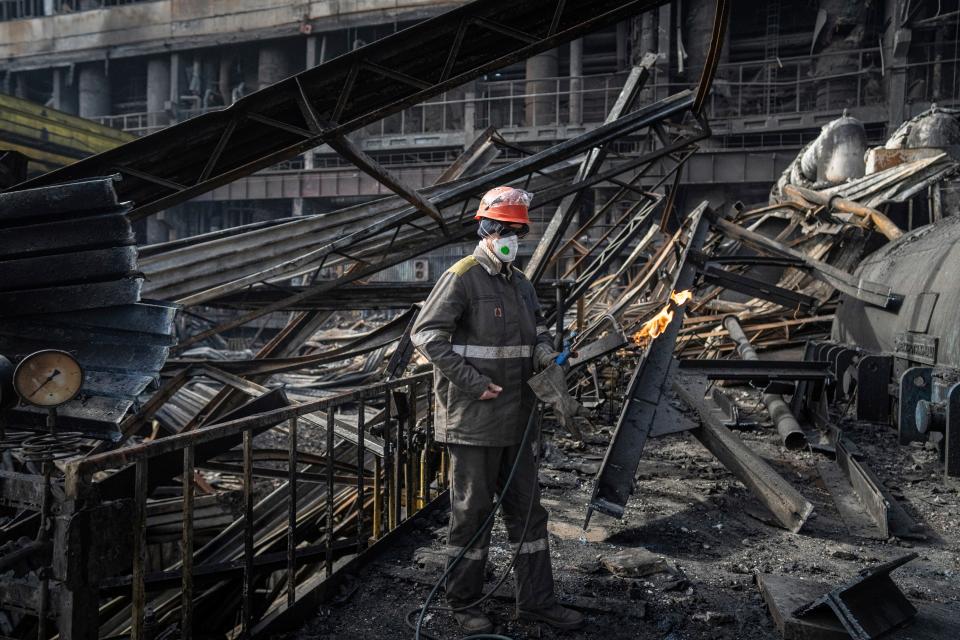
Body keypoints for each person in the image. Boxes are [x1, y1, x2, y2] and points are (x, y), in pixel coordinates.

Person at [411, 186, 584, 634]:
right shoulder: (462, 276)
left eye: (518, 232)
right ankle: (464, 604)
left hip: (519, 416)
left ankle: (537, 603)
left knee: (528, 511)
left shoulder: (520, 282)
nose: (512, 239)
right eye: (505, 230)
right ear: (486, 229)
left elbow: (539, 329)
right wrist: (472, 382)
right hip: (474, 419)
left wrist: (546, 353)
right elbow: (427, 336)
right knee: (471, 512)